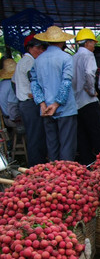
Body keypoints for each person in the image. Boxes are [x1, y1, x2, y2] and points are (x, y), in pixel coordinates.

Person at [30, 26, 78, 161]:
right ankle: (66, 173)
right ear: (62, 42)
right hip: (65, 109)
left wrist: (42, 104)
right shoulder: (66, 58)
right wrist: (56, 104)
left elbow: (34, 82)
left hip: (46, 110)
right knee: (67, 145)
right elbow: (66, 82)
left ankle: (53, 173)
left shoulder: (38, 60)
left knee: (52, 145)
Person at [11, 34, 48, 166]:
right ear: (30, 48)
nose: (40, 51)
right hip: (30, 104)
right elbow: (34, 82)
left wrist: (21, 92)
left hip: (24, 104)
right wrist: (34, 94)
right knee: (36, 137)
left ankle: (35, 165)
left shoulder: (21, 62)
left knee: (33, 136)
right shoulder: (30, 62)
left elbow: (14, 82)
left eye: (42, 48)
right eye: (38, 48)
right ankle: (36, 166)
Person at [72, 28, 100, 165]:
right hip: (88, 101)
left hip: (77, 102)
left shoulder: (74, 57)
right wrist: (92, 91)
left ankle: (87, 163)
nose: (94, 46)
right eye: (92, 43)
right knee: (97, 134)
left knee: (82, 135)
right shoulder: (88, 55)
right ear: (87, 43)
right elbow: (90, 74)